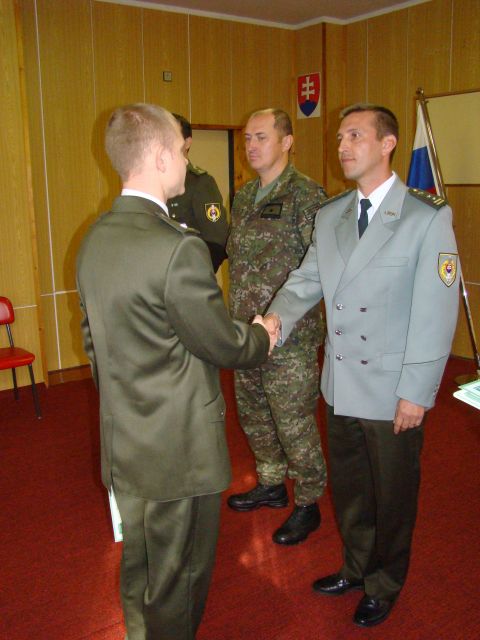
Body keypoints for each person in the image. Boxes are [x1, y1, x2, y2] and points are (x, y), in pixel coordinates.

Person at [76, 103, 275, 640]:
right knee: (178, 582)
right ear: (162, 157)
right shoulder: (176, 248)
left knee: (142, 569)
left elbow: (96, 347)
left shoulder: (94, 239)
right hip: (179, 454)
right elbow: (222, 343)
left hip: (125, 443)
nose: (188, 162)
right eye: (183, 152)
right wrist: (263, 334)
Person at [265, 103, 459, 626]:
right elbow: (306, 280)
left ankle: (385, 582)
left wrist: (417, 392)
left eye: (355, 135)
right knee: (351, 490)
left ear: (388, 143)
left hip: (393, 389)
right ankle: (355, 567)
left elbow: (436, 314)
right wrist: (275, 319)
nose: (343, 146)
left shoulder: (425, 217)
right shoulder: (330, 215)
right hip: (342, 383)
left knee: (392, 496)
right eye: (339, 138)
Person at [226, 108, 328, 545]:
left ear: (287, 142)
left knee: (293, 421)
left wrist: (281, 320)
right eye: (247, 138)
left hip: (291, 336)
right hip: (245, 332)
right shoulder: (244, 196)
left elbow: (319, 266)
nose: (251, 146)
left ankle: (308, 500)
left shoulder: (307, 195)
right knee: (253, 413)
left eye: (261, 137)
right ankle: (270, 482)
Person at [167, 113, 229, 271]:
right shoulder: (153, 182)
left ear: (187, 142)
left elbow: (217, 241)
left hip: (186, 275)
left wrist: (193, 276)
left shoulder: (200, 182)